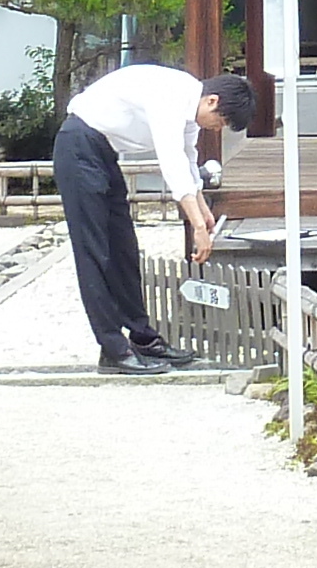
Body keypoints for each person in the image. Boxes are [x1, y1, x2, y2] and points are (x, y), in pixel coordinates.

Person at [54, 63, 257, 373]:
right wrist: (198, 227)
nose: (217, 128)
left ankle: (143, 339)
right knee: (95, 253)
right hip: (79, 146)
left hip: (103, 153)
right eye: (221, 121)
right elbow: (171, 161)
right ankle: (113, 350)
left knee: (124, 248)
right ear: (212, 101)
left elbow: (188, 158)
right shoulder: (173, 94)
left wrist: (202, 207)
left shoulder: (191, 105)